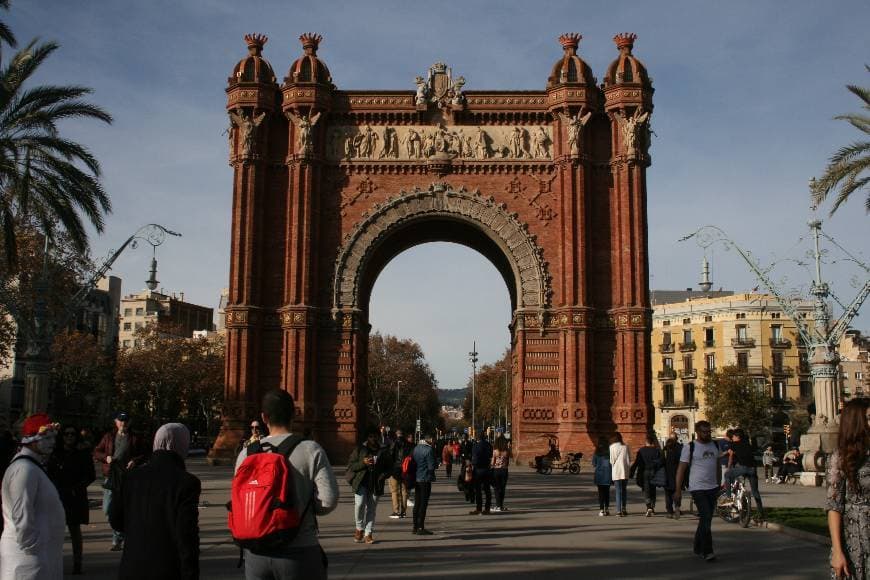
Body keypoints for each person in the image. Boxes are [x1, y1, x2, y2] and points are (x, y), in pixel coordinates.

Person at [235, 389, 339, 580]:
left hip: (255, 551)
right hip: (299, 548)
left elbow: (239, 500)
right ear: (294, 414)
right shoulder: (310, 449)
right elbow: (328, 500)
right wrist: (302, 507)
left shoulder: (247, 454)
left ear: (264, 417)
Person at [109, 423, 200, 580]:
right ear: (181, 444)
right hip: (167, 568)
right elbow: (186, 536)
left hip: (132, 566)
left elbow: (116, 519)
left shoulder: (131, 477)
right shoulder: (186, 482)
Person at [0, 414, 65, 579]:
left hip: (36, 557)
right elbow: (22, 516)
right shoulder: (24, 469)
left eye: (53, 437)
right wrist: (35, 549)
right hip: (27, 561)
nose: (53, 442)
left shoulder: (32, 467)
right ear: (31, 439)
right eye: (47, 437)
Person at [826, 398, 868, 579]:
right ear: (857, 422)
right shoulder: (840, 457)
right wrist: (837, 551)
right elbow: (834, 506)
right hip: (855, 539)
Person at [93, 411, 147, 551]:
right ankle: (120, 533)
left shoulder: (135, 438)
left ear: (129, 422)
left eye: (125, 420)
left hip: (129, 477)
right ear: (116, 422)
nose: (123, 423)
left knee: (124, 509)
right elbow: (96, 452)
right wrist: (106, 458)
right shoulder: (109, 436)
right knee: (107, 509)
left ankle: (117, 539)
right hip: (111, 477)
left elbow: (146, 454)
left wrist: (135, 461)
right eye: (120, 420)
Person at [48, 425, 96, 575]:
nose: (69, 437)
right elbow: (49, 473)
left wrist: (78, 487)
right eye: (67, 434)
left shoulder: (82, 453)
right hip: (58, 495)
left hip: (75, 496)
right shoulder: (55, 453)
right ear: (62, 436)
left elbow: (90, 475)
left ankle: (77, 563)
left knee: (75, 530)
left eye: (72, 434)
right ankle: (53, 562)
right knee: (55, 531)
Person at [674, 420, 722, 562]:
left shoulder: (715, 445)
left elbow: (718, 465)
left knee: (706, 519)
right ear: (697, 432)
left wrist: (719, 484)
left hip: (712, 487)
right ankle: (707, 551)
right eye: (704, 431)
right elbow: (681, 469)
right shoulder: (690, 447)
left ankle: (697, 546)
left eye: (709, 431)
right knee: (706, 516)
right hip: (697, 487)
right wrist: (677, 490)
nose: (707, 434)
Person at [347, 427, 391, 544]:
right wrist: (363, 463)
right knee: (359, 504)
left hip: (376, 483)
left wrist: (383, 475)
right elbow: (351, 465)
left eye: (375, 436)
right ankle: (359, 528)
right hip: (361, 482)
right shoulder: (360, 449)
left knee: (371, 509)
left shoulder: (383, 450)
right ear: (367, 437)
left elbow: (389, 467)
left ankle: (368, 533)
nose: (373, 438)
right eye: (370, 436)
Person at [723, 428, 765, 520]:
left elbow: (729, 454)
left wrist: (728, 467)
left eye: (733, 436)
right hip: (753, 469)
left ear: (737, 437)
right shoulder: (748, 443)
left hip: (743, 468)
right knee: (755, 491)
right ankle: (761, 513)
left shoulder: (734, 444)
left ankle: (729, 498)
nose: (732, 438)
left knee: (727, 475)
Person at [630, 434, 663, 517]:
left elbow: (637, 462)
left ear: (646, 442)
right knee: (653, 489)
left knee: (646, 489)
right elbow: (660, 462)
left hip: (644, 472)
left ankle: (648, 507)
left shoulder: (641, 450)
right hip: (654, 472)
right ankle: (652, 506)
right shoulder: (656, 450)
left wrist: (632, 472)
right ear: (652, 442)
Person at [411, 433, 436, 535]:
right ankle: (421, 527)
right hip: (425, 478)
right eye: (433, 439)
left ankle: (415, 526)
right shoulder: (429, 450)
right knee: (423, 503)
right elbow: (431, 467)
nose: (434, 441)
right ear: (429, 439)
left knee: (417, 502)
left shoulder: (416, 448)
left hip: (417, 478)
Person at [387, 429, 411, 520]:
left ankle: (396, 511)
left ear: (396, 435)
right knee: (404, 491)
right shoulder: (408, 444)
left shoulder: (393, 444)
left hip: (395, 470)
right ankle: (403, 511)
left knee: (394, 491)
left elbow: (390, 456)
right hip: (405, 470)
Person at [469, 431, 493, 515]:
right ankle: (487, 508)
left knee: (478, 490)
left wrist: (472, 464)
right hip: (487, 469)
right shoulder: (488, 445)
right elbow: (490, 455)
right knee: (487, 490)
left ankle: (479, 508)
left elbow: (474, 458)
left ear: (477, 437)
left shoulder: (476, 446)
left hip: (478, 470)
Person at [609, 433, 630, 517]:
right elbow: (628, 459)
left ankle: (618, 510)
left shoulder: (612, 447)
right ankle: (624, 508)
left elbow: (612, 460)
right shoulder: (625, 446)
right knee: (624, 490)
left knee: (618, 491)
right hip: (625, 471)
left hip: (617, 471)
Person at [662, 436, 683, 518]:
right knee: (677, 492)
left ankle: (669, 511)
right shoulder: (678, 452)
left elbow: (661, 463)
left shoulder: (665, 453)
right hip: (677, 475)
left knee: (668, 495)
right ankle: (677, 507)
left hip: (667, 476)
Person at [592, 437, 613, 516]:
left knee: (601, 493)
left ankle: (601, 510)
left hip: (599, 474)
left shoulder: (596, 452)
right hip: (608, 474)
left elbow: (594, 464)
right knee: (607, 492)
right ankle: (607, 509)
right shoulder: (610, 452)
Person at [491, 435, 510, 512]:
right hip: (504, 471)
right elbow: (508, 461)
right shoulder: (507, 451)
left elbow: (493, 462)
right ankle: (501, 505)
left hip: (496, 471)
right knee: (502, 488)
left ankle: (498, 506)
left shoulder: (495, 451)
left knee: (496, 488)